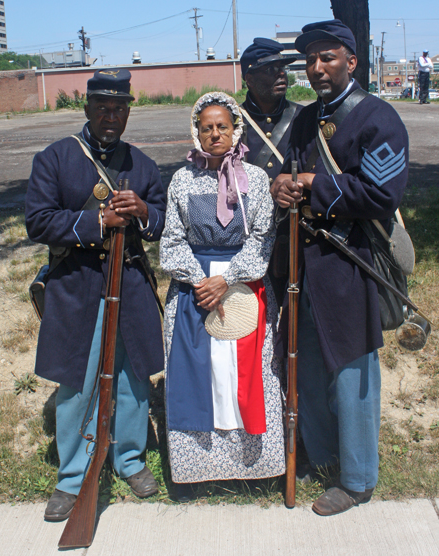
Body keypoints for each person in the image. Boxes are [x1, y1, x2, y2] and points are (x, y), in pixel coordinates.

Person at [271, 20, 409, 515]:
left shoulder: (378, 118)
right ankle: (323, 453)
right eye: (310, 60)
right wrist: (282, 186)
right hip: (303, 264)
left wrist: (314, 183)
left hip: (352, 263)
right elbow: (289, 172)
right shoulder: (306, 120)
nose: (317, 68)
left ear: (351, 61)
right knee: (306, 364)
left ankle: (356, 478)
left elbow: (381, 194)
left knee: (352, 373)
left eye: (328, 57)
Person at [26, 69, 166, 521]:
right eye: (103, 108)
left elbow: (162, 221)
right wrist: (95, 224)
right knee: (76, 383)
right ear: (86, 109)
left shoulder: (142, 165)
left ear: (128, 112)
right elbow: (38, 221)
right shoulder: (56, 158)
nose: (111, 116)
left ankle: (129, 460)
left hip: (130, 282)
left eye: (119, 108)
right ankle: (73, 475)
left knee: (132, 377)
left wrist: (143, 211)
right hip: (76, 284)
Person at [160, 92, 285, 501]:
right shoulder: (182, 180)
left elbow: (264, 235)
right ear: (196, 132)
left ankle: (255, 467)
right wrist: (200, 281)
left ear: (236, 131)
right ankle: (199, 468)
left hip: (243, 287)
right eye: (207, 127)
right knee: (201, 373)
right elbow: (172, 240)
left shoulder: (255, 178)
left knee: (245, 374)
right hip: (194, 289)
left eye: (223, 127)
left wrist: (228, 278)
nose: (215, 134)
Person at [240, 38, 302, 304]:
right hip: (245, 238)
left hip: (294, 236)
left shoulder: (304, 119)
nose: (280, 74)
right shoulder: (231, 122)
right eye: (270, 69)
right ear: (249, 79)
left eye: (282, 68)